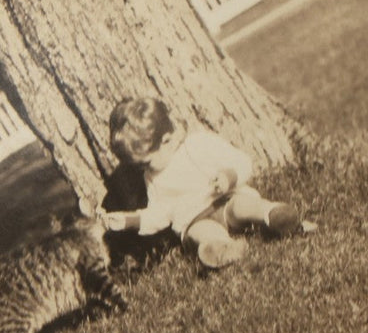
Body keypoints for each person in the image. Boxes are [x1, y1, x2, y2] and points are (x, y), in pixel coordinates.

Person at [103, 97, 311, 269]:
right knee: (200, 232)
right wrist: (129, 221)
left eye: (146, 162)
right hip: (194, 219)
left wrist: (228, 177)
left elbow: (242, 162)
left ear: (167, 140)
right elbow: (160, 214)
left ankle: (273, 214)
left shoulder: (197, 144)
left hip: (225, 200)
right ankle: (221, 248)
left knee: (242, 206)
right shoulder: (153, 178)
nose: (143, 170)